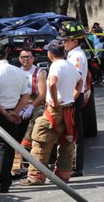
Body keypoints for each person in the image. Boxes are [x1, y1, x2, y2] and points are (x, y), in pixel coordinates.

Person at [23, 41, 80, 185]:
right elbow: (80, 82)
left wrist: (54, 100)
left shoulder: (56, 66)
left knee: (41, 141)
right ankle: (63, 175)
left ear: (50, 53)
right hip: (68, 109)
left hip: (55, 110)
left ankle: (36, 177)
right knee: (66, 143)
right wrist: (73, 97)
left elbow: (52, 83)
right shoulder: (70, 65)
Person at [0, 43, 30, 193]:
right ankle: (5, 181)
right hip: (13, 114)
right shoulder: (19, 72)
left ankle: (1, 183)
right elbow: (26, 96)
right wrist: (14, 112)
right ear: (6, 55)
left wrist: (5, 114)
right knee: (9, 148)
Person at [11, 50, 46, 177]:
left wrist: (31, 107)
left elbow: (42, 95)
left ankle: (25, 146)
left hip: (36, 102)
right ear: (19, 59)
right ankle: (12, 156)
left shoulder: (40, 72)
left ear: (33, 59)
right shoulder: (15, 72)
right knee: (10, 119)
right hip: (19, 102)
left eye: (28, 57)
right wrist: (19, 108)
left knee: (38, 118)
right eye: (23, 57)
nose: (25, 59)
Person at [62, 25, 91, 177]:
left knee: (75, 132)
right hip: (71, 96)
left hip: (74, 96)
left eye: (66, 40)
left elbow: (77, 80)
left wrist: (71, 99)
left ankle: (76, 166)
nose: (63, 43)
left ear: (75, 41)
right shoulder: (72, 54)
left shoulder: (77, 56)